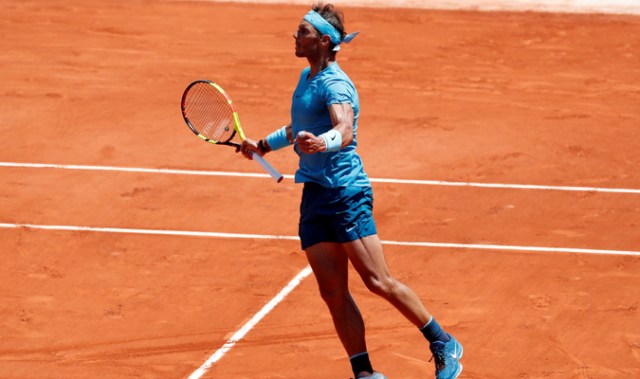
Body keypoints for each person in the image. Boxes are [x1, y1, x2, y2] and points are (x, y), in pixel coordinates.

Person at [238, 3, 463, 379]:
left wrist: (322, 144)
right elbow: (298, 127)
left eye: (303, 32)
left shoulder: (336, 83)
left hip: (344, 193)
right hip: (314, 194)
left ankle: (442, 342)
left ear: (323, 41)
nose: (295, 37)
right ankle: (365, 373)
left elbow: (343, 129)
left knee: (378, 281)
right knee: (332, 293)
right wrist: (263, 145)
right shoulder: (306, 79)